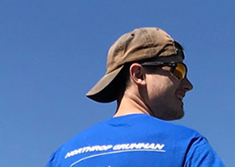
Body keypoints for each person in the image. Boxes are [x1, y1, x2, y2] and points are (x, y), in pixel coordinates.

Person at [45, 27, 225, 167]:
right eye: (178, 71)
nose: (188, 85)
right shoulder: (187, 146)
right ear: (138, 74)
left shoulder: (64, 156)